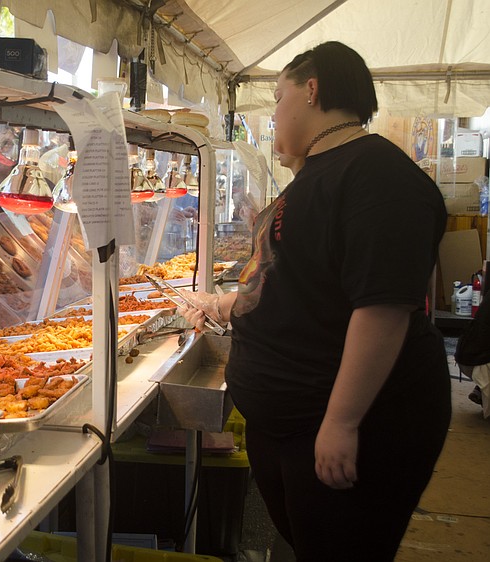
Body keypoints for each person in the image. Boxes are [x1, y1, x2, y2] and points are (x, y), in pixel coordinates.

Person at [178, 41, 451, 561]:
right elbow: (291, 285)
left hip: (353, 422)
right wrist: (221, 304)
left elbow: (383, 309)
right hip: (292, 423)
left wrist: (342, 421)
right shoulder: (315, 175)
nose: (274, 114)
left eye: (277, 97)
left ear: (313, 89)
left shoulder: (378, 176)